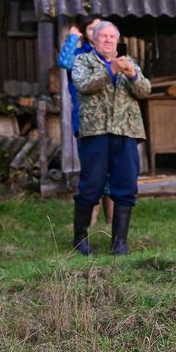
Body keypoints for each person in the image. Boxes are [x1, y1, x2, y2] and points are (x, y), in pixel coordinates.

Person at [71, 20, 151, 255]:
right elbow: (83, 85)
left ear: (117, 41)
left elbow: (145, 91)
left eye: (112, 37)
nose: (108, 40)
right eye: (103, 36)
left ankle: (119, 242)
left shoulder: (129, 62)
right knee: (91, 185)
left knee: (126, 185)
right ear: (94, 40)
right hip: (95, 132)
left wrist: (132, 74)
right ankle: (80, 238)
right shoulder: (83, 61)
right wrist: (111, 70)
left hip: (126, 131)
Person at [56, 16, 113, 226]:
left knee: (113, 174)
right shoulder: (79, 56)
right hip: (87, 122)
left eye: (101, 28)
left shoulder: (112, 55)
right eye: (91, 29)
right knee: (93, 173)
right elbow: (64, 62)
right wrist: (72, 39)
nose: (97, 32)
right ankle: (88, 227)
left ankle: (114, 227)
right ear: (84, 33)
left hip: (113, 121)